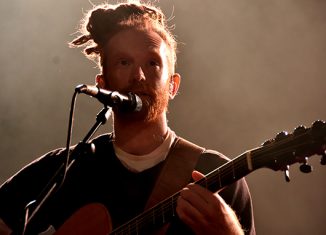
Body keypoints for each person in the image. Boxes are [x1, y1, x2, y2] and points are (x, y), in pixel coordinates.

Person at [0, 1, 255, 234]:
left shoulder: (215, 175)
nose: (139, 77)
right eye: (123, 62)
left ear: (173, 86)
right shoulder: (72, 167)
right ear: (103, 85)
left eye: (153, 63)